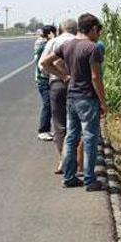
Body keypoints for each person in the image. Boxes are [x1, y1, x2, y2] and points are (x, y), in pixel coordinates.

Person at [41, 13, 107, 191]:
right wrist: (103, 101)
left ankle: (69, 177)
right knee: (90, 137)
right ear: (92, 29)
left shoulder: (67, 45)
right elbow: (95, 77)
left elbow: (45, 63)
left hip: (72, 97)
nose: (99, 34)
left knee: (71, 137)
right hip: (87, 99)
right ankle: (90, 179)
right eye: (98, 30)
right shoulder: (92, 48)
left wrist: (64, 76)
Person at [39, 20, 77, 174]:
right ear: (76, 30)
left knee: (59, 124)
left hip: (57, 85)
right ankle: (75, 159)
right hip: (77, 85)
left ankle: (63, 159)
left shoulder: (53, 42)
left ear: (61, 29)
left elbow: (43, 65)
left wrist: (61, 75)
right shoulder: (79, 42)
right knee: (75, 123)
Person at [34, 26, 56, 141]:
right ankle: (43, 130)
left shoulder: (43, 43)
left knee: (49, 104)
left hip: (43, 79)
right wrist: (53, 38)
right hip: (43, 79)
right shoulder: (43, 44)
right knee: (47, 104)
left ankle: (46, 129)